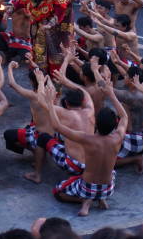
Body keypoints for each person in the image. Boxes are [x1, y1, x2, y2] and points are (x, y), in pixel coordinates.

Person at [40, 73, 127, 216]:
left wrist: (50, 102)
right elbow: (124, 116)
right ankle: (100, 198)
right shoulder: (118, 136)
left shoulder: (87, 139)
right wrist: (111, 95)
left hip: (87, 187)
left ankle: (85, 201)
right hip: (108, 188)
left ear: (96, 123)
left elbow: (56, 126)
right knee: (109, 173)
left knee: (57, 192)